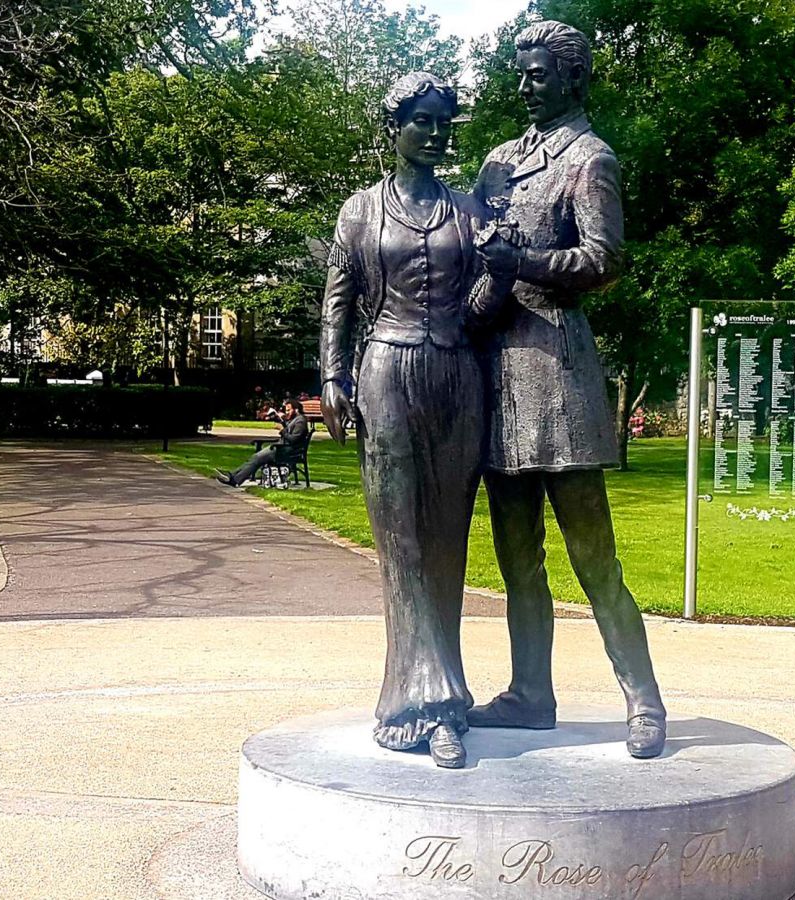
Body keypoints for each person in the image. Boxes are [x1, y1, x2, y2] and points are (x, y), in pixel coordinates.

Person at [469, 21, 668, 758]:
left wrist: (521, 257)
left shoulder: (590, 159)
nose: (526, 85)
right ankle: (529, 694)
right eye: (521, 72)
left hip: (556, 374)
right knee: (516, 555)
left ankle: (643, 700)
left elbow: (603, 259)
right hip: (499, 377)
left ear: (573, 79)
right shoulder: (497, 162)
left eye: (540, 73)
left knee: (594, 556)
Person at [319, 72, 518, 769]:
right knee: (400, 542)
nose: (435, 133)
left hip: (455, 376)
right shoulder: (360, 210)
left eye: (444, 122)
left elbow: (479, 313)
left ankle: (443, 696)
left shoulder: (467, 212)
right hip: (387, 371)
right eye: (422, 120)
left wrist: (498, 270)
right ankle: (421, 706)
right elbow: (338, 299)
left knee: (446, 543)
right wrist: (331, 374)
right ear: (394, 127)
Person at [215, 398, 310, 487]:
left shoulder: (300, 421)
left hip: (287, 452)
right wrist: (282, 423)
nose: (287, 412)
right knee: (255, 458)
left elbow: (293, 439)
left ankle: (234, 479)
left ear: (296, 410)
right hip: (282, 449)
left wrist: (282, 430)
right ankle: (232, 476)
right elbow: (289, 433)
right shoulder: (295, 420)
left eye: (289, 410)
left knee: (256, 458)